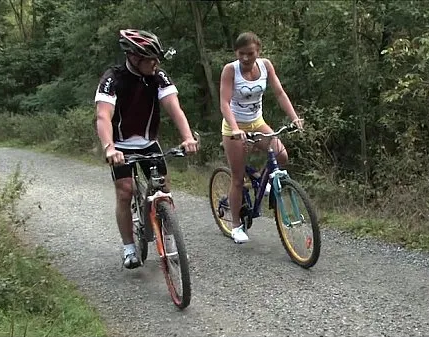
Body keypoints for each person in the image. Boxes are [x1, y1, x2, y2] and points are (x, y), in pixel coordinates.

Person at [94, 29, 199, 269]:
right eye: (150, 59)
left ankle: (171, 239)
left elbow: (175, 110)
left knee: (163, 189)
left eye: (157, 58)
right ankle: (129, 247)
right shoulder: (113, 78)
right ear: (133, 57)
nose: (156, 63)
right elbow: (103, 116)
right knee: (125, 192)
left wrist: (187, 137)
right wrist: (109, 148)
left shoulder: (158, 76)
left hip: (149, 142)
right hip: (120, 145)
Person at [219, 31, 303, 244]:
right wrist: (236, 129)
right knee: (238, 180)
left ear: (258, 51)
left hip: (257, 122)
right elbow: (224, 103)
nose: (246, 58)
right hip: (234, 127)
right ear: (236, 53)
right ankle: (236, 226)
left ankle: (262, 180)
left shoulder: (265, 66)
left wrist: (294, 118)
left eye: (250, 53)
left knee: (281, 155)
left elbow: (280, 93)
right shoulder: (230, 70)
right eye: (241, 54)